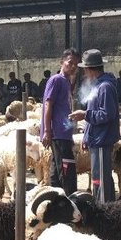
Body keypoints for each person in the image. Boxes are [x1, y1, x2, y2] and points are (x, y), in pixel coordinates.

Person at [69, 49, 120, 204]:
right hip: (96, 140)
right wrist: (86, 136)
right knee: (99, 178)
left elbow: (106, 114)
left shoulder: (105, 87)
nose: (84, 73)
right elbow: (95, 114)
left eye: (84, 69)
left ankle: (104, 211)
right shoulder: (98, 86)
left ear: (90, 69)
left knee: (100, 182)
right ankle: (107, 210)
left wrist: (85, 115)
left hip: (102, 141)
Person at [40, 50, 79, 195]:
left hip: (64, 133)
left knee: (57, 168)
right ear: (61, 62)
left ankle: (54, 196)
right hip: (57, 132)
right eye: (70, 62)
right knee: (66, 168)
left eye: (76, 64)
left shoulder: (67, 82)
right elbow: (48, 104)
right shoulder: (55, 80)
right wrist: (47, 131)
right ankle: (69, 198)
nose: (73, 66)